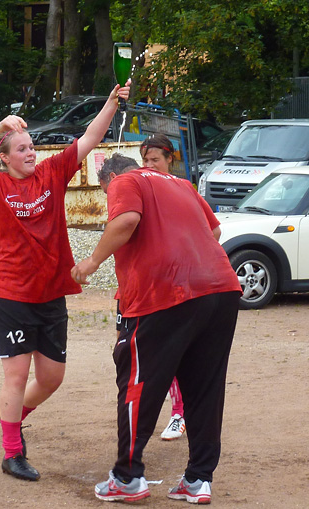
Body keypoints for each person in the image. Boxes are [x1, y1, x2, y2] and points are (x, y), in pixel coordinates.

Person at [0, 80, 131, 482]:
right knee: (16, 376)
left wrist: (109, 103)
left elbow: (90, 138)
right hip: (11, 294)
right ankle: (12, 452)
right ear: (4, 158)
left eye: (32, 146)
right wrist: (1, 127)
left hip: (51, 293)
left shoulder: (52, 172)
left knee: (51, 378)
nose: (30, 152)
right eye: (21, 149)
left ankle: (10, 416)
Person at [71, 149, 241, 504]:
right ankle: (198, 479)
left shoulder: (125, 181)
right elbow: (214, 229)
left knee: (138, 383)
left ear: (109, 179)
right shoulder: (179, 183)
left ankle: (127, 477)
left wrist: (92, 260)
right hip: (220, 288)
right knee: (205, 386)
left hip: (166, 292)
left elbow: (126, 220)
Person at [98, 149, 186, 442]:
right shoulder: (136, 193)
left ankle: (178, 413)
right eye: (145, 161)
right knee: (125, 353)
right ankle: (135, 416)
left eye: (154, 161)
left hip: (161, 291)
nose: (149, 167)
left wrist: (91, 261)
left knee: (166, 353)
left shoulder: (160, 191)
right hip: (130, 292)